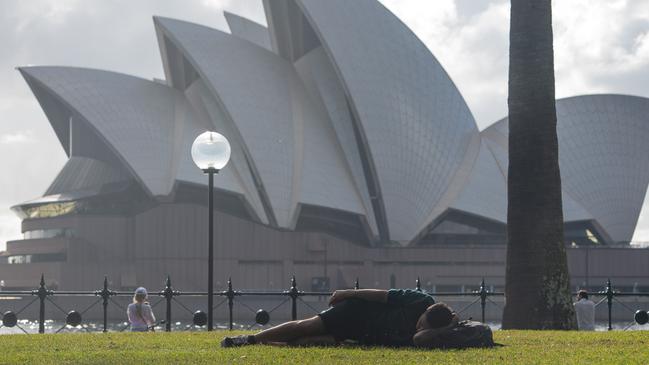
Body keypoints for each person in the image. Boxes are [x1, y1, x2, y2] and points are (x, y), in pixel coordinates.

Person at [221, 288, 457, 347]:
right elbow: (382, 295)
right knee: (308, 326)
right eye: (420, 322)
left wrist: (438, 327)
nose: (417, 328)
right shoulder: (419, 299)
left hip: (362, 335)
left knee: (310, 342)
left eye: (422, 328)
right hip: (357, 313)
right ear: (426, 311)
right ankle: (251, 339)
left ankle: (267, 343)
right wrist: (349, 293)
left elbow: (420, 338)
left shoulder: (430, 333)